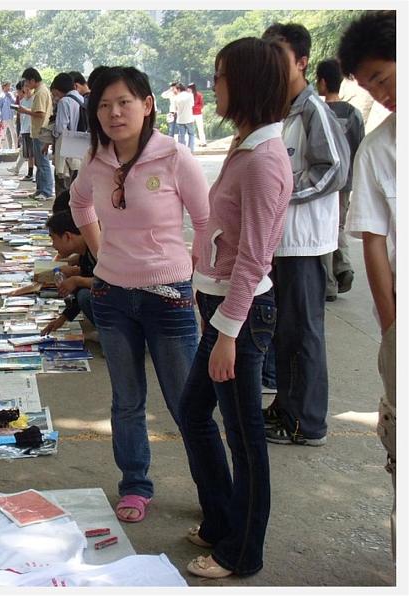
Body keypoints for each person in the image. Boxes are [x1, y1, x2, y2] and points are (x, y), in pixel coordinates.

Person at [70, 66, 209, 524]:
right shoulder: (96, 160)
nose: (114, 113)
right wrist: (100, 249)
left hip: (169, 297)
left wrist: (199, 285)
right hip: (112, 298)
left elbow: (207, 223)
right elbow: (79, 204)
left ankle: (211, 490)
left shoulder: (174, 157)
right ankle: (134, 485)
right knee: (126, 401)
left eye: (124, 102)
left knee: (185, 401)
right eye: (104, 105)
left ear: (147, 104)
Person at [180, 37, 292, 579]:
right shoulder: (246, 144)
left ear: (244, 83)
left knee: (245, 440)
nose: (212, 86)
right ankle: (222, 517)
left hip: (240, 316)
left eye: (220, 76)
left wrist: (227, 333)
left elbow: (254, 258)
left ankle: (242, 551)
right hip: (220, 307)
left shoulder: (266, 159)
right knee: (195, 410)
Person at [261, 22, 350, 447]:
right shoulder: (279, 108)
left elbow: (334, 168)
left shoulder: (314, 109)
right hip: (281, 241)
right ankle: (285, 408)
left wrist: (283, 194)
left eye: (281, 56)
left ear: (301, 62)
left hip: (305, 243)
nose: (273, 65)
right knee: (285, 331)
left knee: (304, 332)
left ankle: (307, 422)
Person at [338, 9, 396, 560]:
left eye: (382, 76)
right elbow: (373, 241)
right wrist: (390, 325)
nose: (380, 94)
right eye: (369, 84)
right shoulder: (380, 149)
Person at [315, 58, 365, 301]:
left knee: (325, 228)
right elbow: (359, 147)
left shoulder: (317, 112)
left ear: (322, 82)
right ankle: (343, 267)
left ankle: (331, 282)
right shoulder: (353, 113)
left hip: (321, 183)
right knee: (338, 226)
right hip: (344, 182)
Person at [41, 210, 96, 336]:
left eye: (53, 239)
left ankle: (113, 334)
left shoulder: (96, 250)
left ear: (67, 236)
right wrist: (62, 319)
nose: (53, 245)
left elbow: (109, 283)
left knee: (84, 294)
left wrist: (77, 280)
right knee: (79, 291)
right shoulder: (85, 254)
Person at [18, 67, 54, 200]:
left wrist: (25, 111)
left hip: (41, 132)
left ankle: (46, 191)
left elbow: (40, 113)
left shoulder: (40, 93)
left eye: (27, 82)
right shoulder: (41, 91)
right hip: (38, 131)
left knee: (43, 163)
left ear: (33, 80)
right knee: (39, 162)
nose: (26, 85)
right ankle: (40, 189)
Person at [50, 72, 85, 198]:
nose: (55, 96)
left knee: (62, 181)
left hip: (66, 146)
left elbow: (60, 127)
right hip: (80, 144)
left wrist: (51, 132)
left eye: (54, 93)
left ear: (58, 89)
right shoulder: (81, 99)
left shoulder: (64, 101)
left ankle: (62, 212)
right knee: (75, 182)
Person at [8, 81, 34, 180]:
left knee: (32, 154)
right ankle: (30, 173)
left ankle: (32, 173)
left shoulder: (34, 99)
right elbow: (22, 118)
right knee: (28, 154)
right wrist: (20, 132)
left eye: (28, 86)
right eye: (25, 87)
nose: (26, 89)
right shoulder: (22, 101)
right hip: (24, 130)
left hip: (31, 130)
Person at [174, 83, 195, 151]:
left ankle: (183, 151)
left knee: (181, 136)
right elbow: (192, 105)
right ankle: (190, 150)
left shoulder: (176, 97)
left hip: (180, 119)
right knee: (191, 135)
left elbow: (176, 109)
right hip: (189, 118)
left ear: (178, 89)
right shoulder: (190, 95)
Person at [0, 81, 17, 151]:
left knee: (14, 132)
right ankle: (3, 148)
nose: (9, 87)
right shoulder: (0, 96)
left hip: (11, 117)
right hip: (4, 117)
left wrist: (11, 97)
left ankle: (15, 147)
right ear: (4, 87)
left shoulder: (11, 95)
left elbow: (15, 102)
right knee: (3, 133)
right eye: (7, 86)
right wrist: (0, 117)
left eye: (9, 86)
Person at [188, 83, 207, 147]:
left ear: (192, 88)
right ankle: (194, 143)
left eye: (189, 88)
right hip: (190, 114)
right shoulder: (188, 95)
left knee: (200, 128)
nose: (188, 89)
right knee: (191, 129)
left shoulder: (199, 95)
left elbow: (201, 105)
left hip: (198, 114)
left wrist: (193, 106)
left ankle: (203, 142)